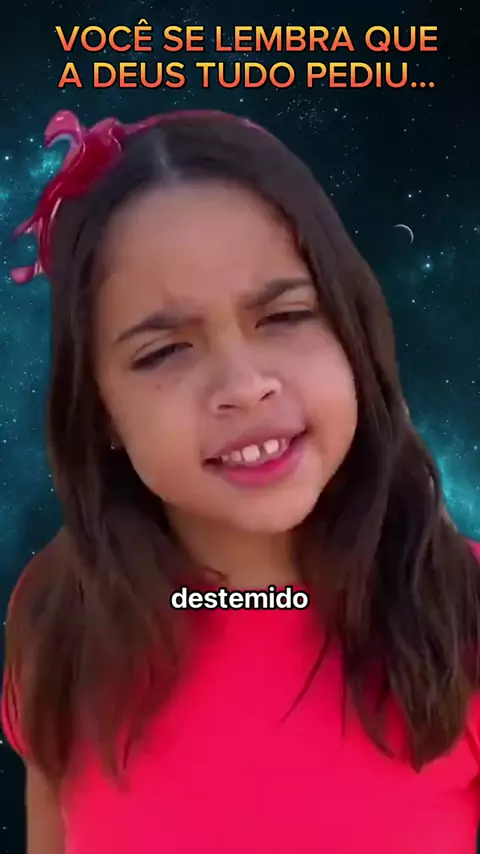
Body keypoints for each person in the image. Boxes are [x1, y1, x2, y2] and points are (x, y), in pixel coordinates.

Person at [1, 108, 479, 854]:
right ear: (98, 411)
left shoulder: (465, 612)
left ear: (353, 332)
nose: (244, 385)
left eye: (285, 315)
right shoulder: (58, 615)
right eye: (163, 352)